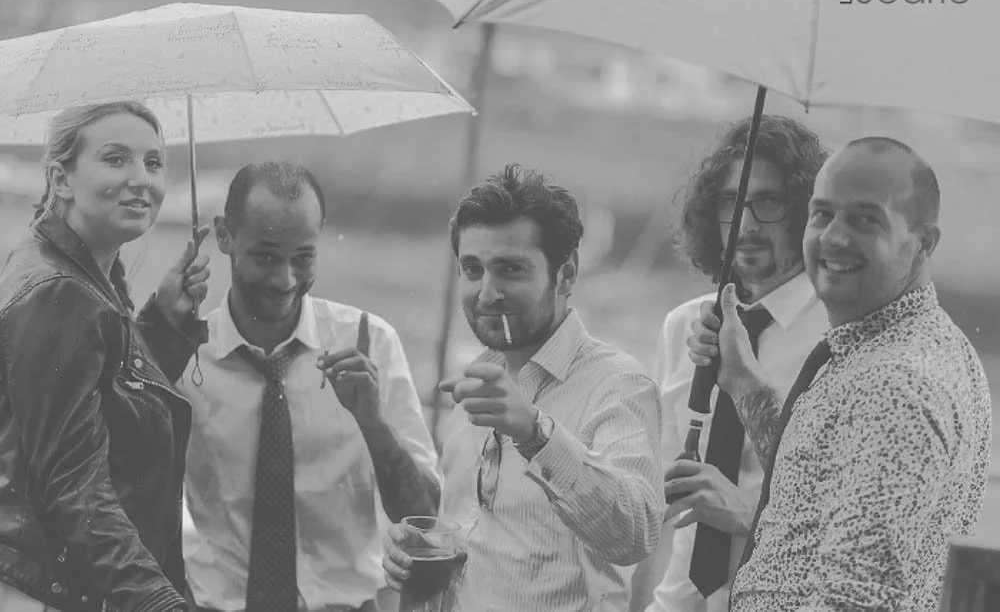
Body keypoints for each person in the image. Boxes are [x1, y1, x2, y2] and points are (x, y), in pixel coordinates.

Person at [688, 137, 992, 610]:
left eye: (866, 219)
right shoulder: (893, 344)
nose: (834, 238)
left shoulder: (896, 384)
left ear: (923, 243)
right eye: (822, 213)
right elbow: (817, 475)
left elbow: (856, 600)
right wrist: (743, 382)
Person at [382, 164, 664, 611]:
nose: (486, 292)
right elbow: (471, 538)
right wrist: (418, 544)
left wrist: (535, 433)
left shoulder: (617, 385)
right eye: (472, 269)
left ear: (566, 274)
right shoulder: (474, 385)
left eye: (510, 269)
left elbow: (636, 532)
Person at [179, 161, 440, 612]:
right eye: (265, 257)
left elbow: (423, 519)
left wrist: (372, 421)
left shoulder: (369, 341)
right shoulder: (184, 356)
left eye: (303, 258)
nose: (285, 280)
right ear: (223, 236)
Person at [0, 101, 211, 611]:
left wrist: (164, 323)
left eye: (154, 162)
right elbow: (73, 483)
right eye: (116, 159)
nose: (143, 180)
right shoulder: (59, 291)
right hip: (46, 589)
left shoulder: (80, 274)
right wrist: (160, 604)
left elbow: (99, 401)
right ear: (62, 178)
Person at [630, 116, 830, 612]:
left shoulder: (835, 339)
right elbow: (665, 509)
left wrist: (746, 512)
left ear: (808, 211)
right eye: (730, 202)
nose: (745, 225)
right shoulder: (683, 328)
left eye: (768, 202)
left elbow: (839, 520)